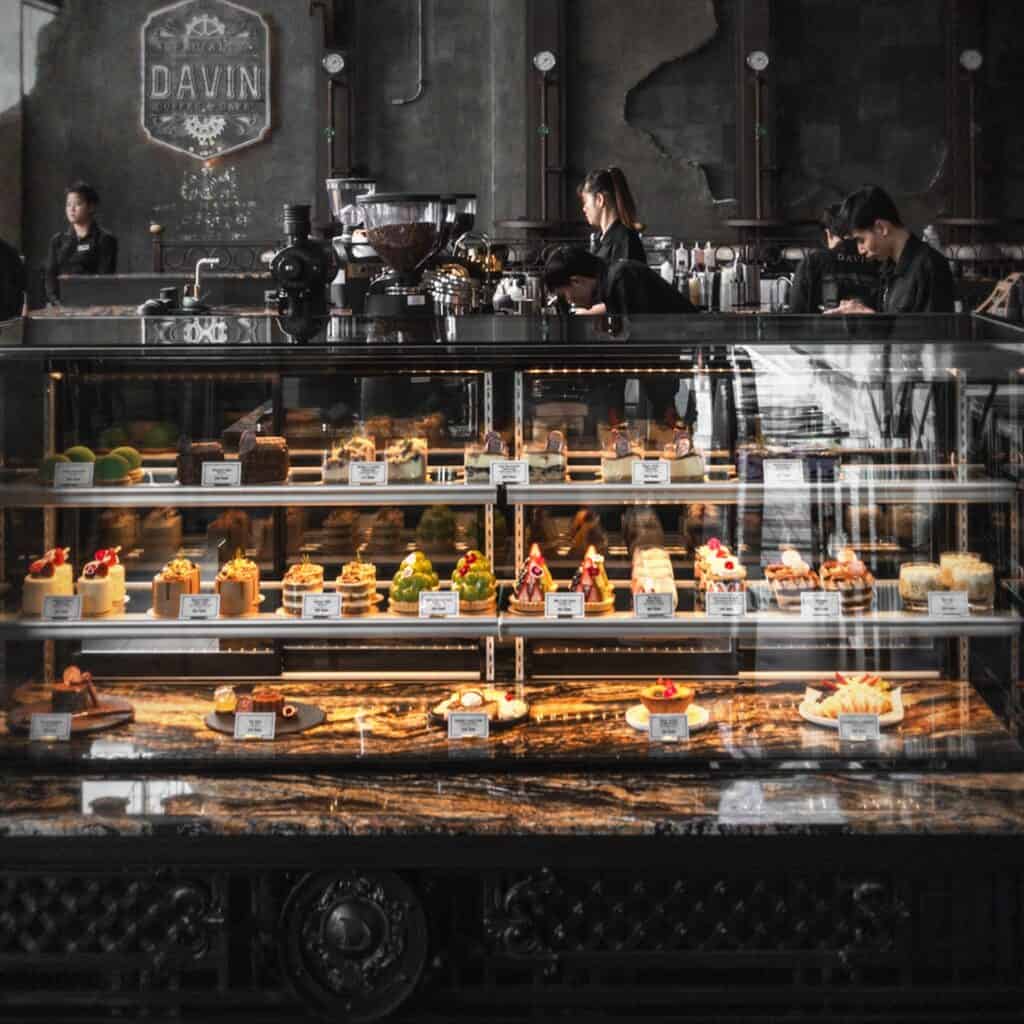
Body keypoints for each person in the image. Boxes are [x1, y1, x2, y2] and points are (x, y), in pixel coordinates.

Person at [824, 185, 954, 315]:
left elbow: (936, 333)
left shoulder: (931, 266)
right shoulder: (887, 268)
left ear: (881, 228)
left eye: (861, 240)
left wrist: (871, 318)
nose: (860, 250)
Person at [543, 247, 695, 318]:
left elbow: (640, 339)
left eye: (565, 294)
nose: (569, 301)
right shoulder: (612, 281)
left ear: (576, 281)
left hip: (695, 352)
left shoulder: (621, 278)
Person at [789, 203, 880, 313]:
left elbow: (795, 317)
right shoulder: (878, 260)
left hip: (821, 329)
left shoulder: (811, 263)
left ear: (828, 234)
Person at [44, 181, 118, 305]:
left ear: (91, 207)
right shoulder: (57, 241)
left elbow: (104, 280)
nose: (71, 209)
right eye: (68, 205)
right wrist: (58, 303)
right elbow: (50, 277)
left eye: (78, 204)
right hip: (60, 307)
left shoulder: (105, 239)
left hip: (93, 307)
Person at [580, 167, 646, 264]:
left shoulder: (625, 241)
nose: (584, 208)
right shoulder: (601, 240)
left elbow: (624, 278)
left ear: (599, 200)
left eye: (585, 201)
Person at [0, 236, 27, 320]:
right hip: (8, 311)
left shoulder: (9, 251)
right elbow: (23, 283)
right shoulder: (10, 250)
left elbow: (22, 282)